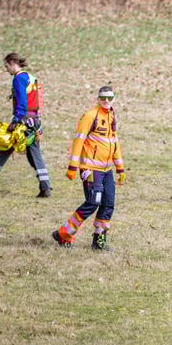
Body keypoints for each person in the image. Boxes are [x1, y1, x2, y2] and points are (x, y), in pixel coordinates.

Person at [52, 86, 125, 250]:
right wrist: (72, 167)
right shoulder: (90, 116)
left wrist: (120, 168)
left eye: (109, 98)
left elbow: (115, 144)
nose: (106, 101)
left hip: (107, 171)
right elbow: (78, 140)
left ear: (114, 98)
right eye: (103, 98)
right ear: (98, 98)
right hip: (90, 169)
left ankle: (99, 242)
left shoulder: (112, 116)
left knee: (108, 204)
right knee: (93, 202)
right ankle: (64, 234)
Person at [0, 52, 52, 197]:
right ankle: (45, 186)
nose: (6, 70)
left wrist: (16, 120)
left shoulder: (18, 79)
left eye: (6, 66)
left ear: (11, 63)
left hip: (22, 121)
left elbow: (22, 102)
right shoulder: (31, 77)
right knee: (33, 153)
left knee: (4, 148)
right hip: (34, 120)